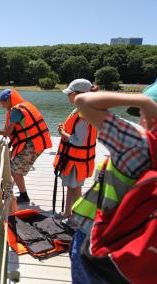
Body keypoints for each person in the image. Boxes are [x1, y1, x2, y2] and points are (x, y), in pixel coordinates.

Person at [69, 83, 157, 283]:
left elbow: (83, 102)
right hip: (143, 252)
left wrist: (142, 100)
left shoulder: (136, 143)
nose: (139, 119)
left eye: (141, 113)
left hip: (100, 239)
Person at [0, 89, 52, 202]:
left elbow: (7, 132)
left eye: (3, 103)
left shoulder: (16, 111)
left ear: (9, 100)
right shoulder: (23, 106)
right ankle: (12, 190)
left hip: (33, 144)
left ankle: (24, 196)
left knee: (15, 171)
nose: (3, 106)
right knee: (14, 167)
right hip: (34, 142)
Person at [53, 79, 99, 219]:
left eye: (70, 93)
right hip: (72, 159)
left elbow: (78, 141)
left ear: (79, 95)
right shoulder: (79, 110)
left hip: (76, 161)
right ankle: (67, 213)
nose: (68, 96)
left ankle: (77, 218)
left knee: (76, 189)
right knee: (70, 187)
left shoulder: (84, 116)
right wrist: (65, 129)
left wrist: (63, 134)